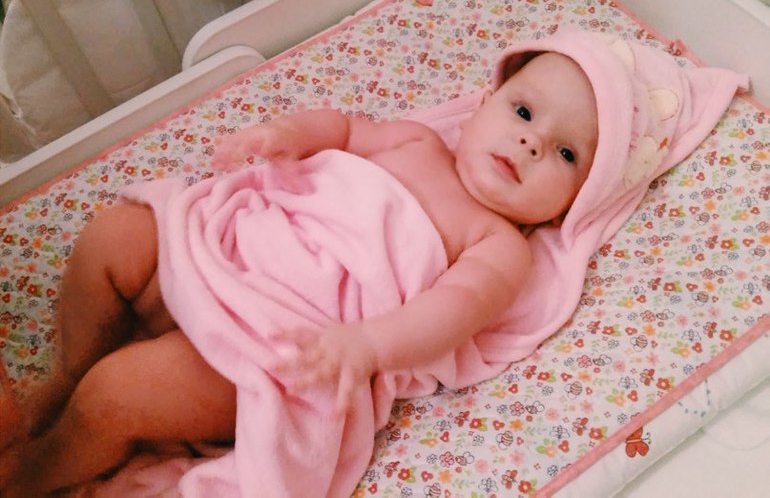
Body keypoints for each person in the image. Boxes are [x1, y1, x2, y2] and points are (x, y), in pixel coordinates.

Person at [0, 30, 745, 498]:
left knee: (123, 390)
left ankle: (35, 472)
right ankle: (70, 368)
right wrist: (287, 134)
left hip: (277, 343)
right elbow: (344, 129)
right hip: (222, 252)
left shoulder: (499, 246)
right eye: (523, 112)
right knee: (114, 236)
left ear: (575, 204)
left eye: (566, 153)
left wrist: (365, 346)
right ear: (486, 101)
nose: (529, 142)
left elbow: (446, 315)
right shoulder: (415, 141)